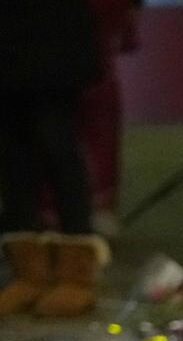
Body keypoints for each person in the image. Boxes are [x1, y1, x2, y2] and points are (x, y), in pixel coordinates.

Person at [0, 0, 110, 318]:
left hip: (53, 28)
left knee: (56, 142)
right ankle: (28, 274)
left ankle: (76, 273)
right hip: (8, 30)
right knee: (12, 151)